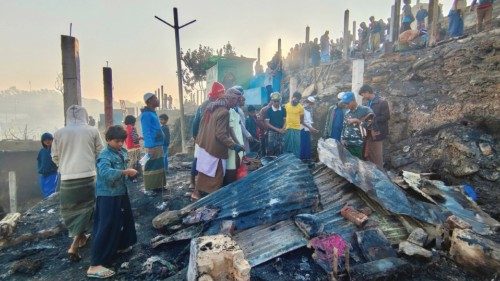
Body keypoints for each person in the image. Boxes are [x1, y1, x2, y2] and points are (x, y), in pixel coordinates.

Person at [52, 105, 103, 262]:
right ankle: (74, 245)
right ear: (85, 116)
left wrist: (66, 166)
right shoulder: (92, 131)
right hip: (87, 176)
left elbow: (54, 156)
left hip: (67, 177)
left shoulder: (59, 133)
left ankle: (80, 238)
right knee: (87, 209)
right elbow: (100, 152)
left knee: (72, 210)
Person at [86, 126, 137, 279]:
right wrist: (125, 172)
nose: (120, 144)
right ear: (108, 140)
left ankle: (120, 245)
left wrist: (130, 172)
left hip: (120, 192)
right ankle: (95, 265)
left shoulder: (121, 152)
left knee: (122, 220)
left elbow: (124, 166)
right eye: (117, 141)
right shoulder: (104, 155)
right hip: (107, 195)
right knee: (106, 225)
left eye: (122, 141)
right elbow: (106, 174)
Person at [193, 93, 244, 199]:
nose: (236, 102)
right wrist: (234, 146)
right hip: (215, 148)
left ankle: (197, 193)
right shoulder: (224, 112)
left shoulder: (212, 108)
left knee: (203, 172)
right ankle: (213, 198)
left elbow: (202, 126)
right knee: (217, 175)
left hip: (205, 145)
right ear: (228, 99)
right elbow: (221, 134)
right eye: (234, 99)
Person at [190, 82, 225, 193]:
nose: (223, 94)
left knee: (203, 159)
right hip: (204, 137)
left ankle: (198, 183)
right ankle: (194, 183)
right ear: (217, 93)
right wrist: (195, 136)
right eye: (222, 92)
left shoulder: (209, 104)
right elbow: (196, 122)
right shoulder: (211, 105)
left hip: (205, 137)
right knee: (199, 159)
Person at [358, 85, 390, 169]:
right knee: (368, 154)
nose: (363, 97)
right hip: (367, 133)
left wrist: (373, 119)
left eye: (363, 94)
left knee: (377, 156)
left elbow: (386, 117)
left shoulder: (382, 102)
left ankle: (380, 175)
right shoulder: (366, 103)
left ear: (367, 92)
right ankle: (372, 174)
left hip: (377, 133)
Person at [140, 93, 165, 190]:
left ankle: (159, 186)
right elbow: (146, 131)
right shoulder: (146, 115)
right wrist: (150, 146)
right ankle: (151, 188)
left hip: (158, 144)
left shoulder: (152, 112)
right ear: (149, 101)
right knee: (151, 166)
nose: (158, 100)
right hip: (153, 146)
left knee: (158, 165)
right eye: (156, 98)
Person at [339, 92, 374, 159]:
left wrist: (358, 121)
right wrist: (342, 138)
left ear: (353, 101)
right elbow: (344, 126)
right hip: (347, 145)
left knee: (358, 166)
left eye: (347, 103)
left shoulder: (365, 110)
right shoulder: (347, 112)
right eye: (344, 104)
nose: (346, 106)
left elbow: (371, 125)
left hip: (359, 145)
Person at [225, 87, 245, 185]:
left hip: (237, 146)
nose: (238, 101)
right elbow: (230, 129)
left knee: (235, 168)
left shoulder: (234, 111)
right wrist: (237, 143)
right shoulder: (227, 111)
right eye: (236, 99)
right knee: (231, 170)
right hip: (232, 146)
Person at [37, 132, 58, 198]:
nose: (47, 141)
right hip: (43, 175)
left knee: (50, 192)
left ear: (52, 140)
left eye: (49, 139)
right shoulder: (42, 151)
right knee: (44, 191)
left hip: (52, 174)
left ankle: (50, 206)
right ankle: (47, 206)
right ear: (43, 141)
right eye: (45, 140)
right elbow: (39, 161)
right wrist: (40, 169)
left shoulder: (55, 150)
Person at [284, 91, 304, 158]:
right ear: (292, 98)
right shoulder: (286, 106)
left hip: (296, 129)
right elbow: (284, 117)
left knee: (296, 146)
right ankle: (286, 160)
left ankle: (296, 160)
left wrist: (295, 123)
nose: (296, 101)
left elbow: (301, 119)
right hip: (287, 128)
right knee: (287, 145)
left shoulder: (301, 108)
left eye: (298, 100)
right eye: (295, 99)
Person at [300, 97, 319, 162]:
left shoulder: (310, 109)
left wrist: (312, 128)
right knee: (303, 145)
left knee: (307, 145)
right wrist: (310, 128)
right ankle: (302, 159)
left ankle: (307, 159)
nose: (311, 105)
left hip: (308, 129)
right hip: (302, 129)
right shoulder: (302, 109)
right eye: (311, 104)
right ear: (308, 102)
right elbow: (302, 121)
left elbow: (310, 121)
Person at [124, 115, 141, 182]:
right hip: (135, 148)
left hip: (129, 148)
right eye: (134, 121)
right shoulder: (133, 128)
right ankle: (134, 177)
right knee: (135, 163)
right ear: (132, 122)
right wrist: (140, 138)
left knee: (130, 163)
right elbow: (135, 138)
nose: (135, 123)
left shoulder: (126, 129)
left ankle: (129, 176)